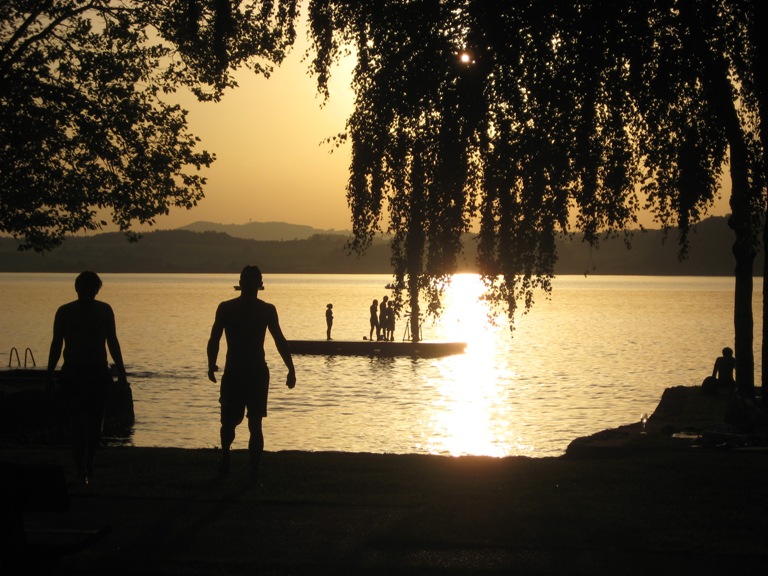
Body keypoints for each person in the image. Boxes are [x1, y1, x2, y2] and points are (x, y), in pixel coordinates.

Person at [207, 265, 296, 481]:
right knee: (228, 422)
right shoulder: (226, 308)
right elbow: (214, 339)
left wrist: (291, 368)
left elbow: (279, 340)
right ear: (240, 282)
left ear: (259, 284)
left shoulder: (266, 310)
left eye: (252, 278)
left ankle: (253, 472)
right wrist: (211, 364)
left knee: (255, 423)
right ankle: (226, 456)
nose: (248, 282)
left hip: (256, 372)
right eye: (245, 278)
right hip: (234, 371)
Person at [47, 271, 128, 484]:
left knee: (94, 424)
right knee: (77, 423)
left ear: (96, 290)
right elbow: (57, 344)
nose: (89, 294)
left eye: (92, 290)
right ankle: (81, 467)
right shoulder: (65, 312)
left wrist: (121, 371)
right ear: (77, 289)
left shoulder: (104, 310)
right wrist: (49, 373)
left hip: (96, 372)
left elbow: (112, 342)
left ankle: (88, 461)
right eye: (86, 289)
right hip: (74, 372)